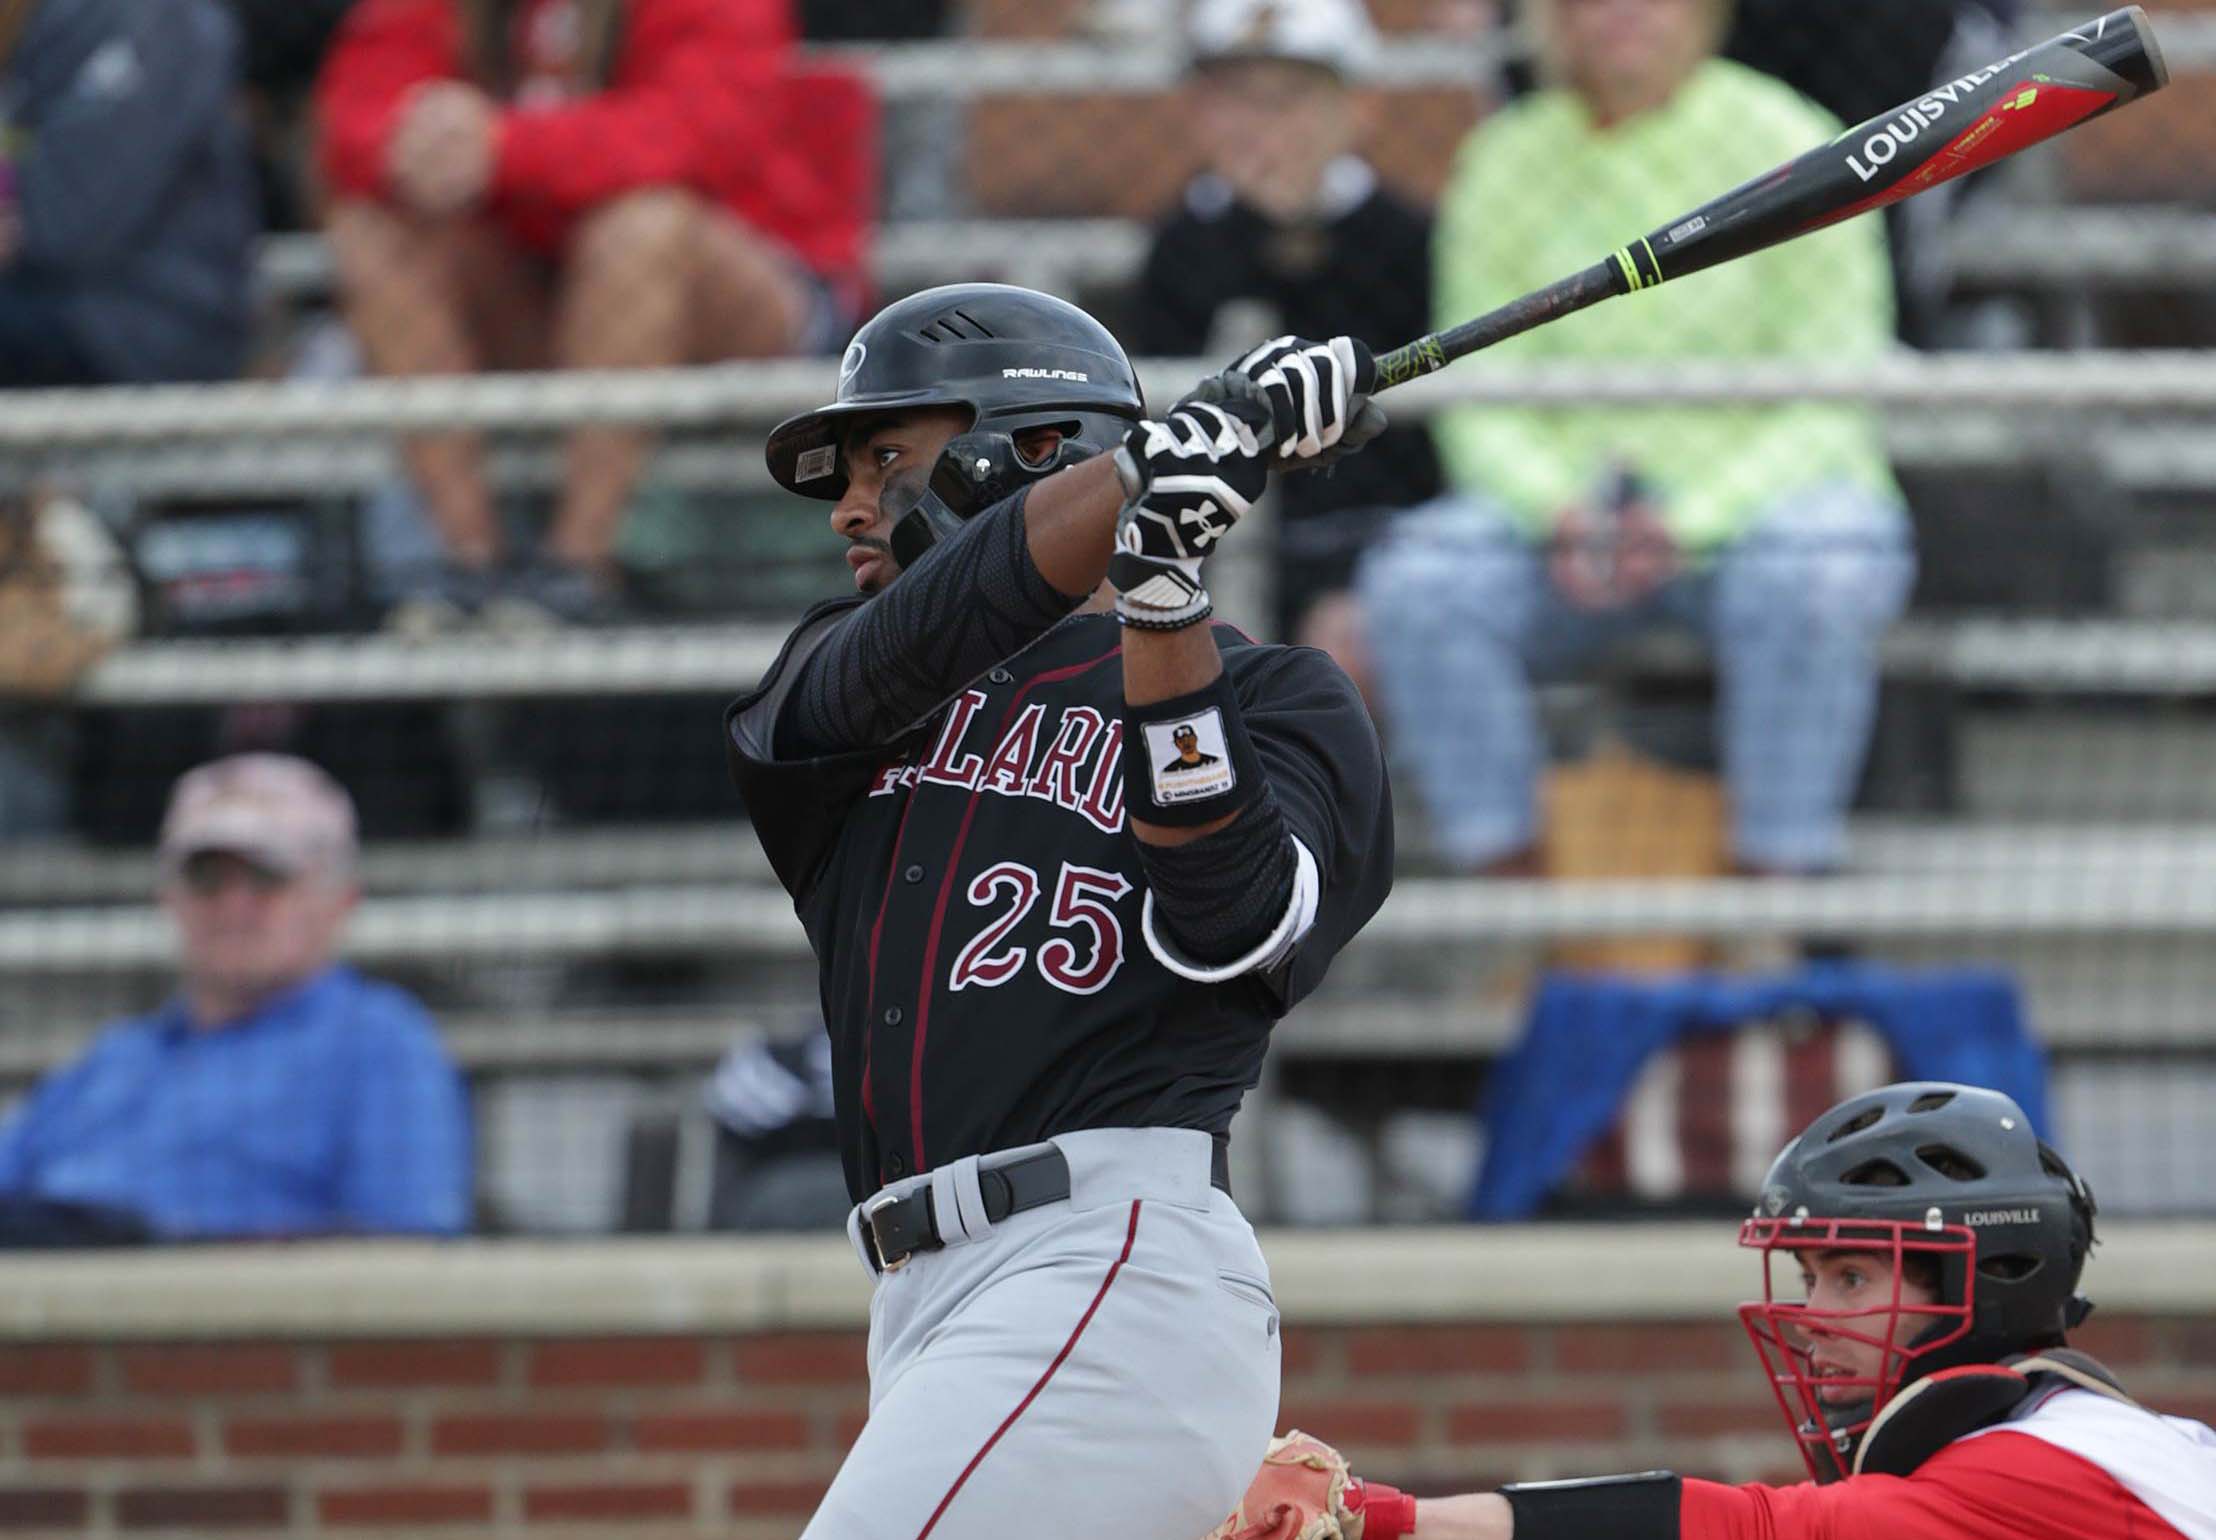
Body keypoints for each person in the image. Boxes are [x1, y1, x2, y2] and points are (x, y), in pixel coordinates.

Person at [725, 282, 1394, 1537]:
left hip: (1111, 1261)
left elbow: (1233, 926)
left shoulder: (1278, 696)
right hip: (918, 1299)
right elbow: (947, 619)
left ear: (1033, 448)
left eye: (887, 459)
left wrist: (1160, 602)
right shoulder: (844, 683)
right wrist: (1154, 470)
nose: (850, 509)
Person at [1355, 0, 1913, 877]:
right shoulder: (1504, 158)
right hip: (1561, 532)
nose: (1618, 13)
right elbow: (1478, 391)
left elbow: (1836, 393)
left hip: (1758, 521)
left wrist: (1690, 523)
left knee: (1819, 569)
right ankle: (1532, 901)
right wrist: (1557, 510)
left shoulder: (1792, 138)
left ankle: (1771, 903)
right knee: (1420, 581)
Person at [1209, 1081, 2216, 1540]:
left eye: (1853, 1279)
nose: (1815, 1314)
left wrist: (1388, 1520)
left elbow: (1746, 1528)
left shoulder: (2033, 1467)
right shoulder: (2080, 1443)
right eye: (1812, 1276)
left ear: (1983, 1282)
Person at [315, 0, 833, 629]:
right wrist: (419, 143)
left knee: (639, 227)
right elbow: (348, 115)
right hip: (544, 291)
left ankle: (578, 566)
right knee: (373, 232)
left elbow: (703, 137)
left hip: (738, 295)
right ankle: (472, 568)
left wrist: (505, 147)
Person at [0, 754, 472, 1242]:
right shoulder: (114, 1056)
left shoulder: (379, 1043)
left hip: (223, 1309)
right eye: (206, 879)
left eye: (266, 879)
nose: (233, 906)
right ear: (170, 896)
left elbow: (405, 1253)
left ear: (339, 899)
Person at [1132, 0, 1440, 651]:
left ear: (1356, 108)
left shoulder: (1401, 238)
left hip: (1363, 533)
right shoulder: (1185, 241)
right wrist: (1254, 230)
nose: (1262, 126)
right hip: (1209, 535)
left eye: (1292, 98)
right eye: (1238, 99)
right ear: (1200, 111)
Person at [0, 0, 256, 388]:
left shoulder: (155, 17)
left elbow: (67, 226)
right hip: (53, 305)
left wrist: (18, 206)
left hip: (139, 328)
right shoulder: (44, 20)